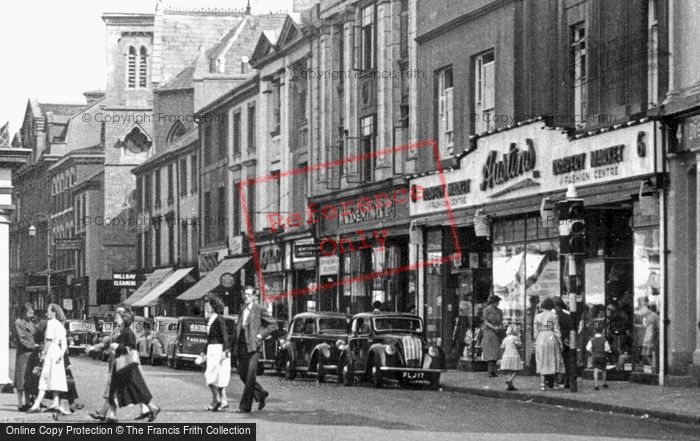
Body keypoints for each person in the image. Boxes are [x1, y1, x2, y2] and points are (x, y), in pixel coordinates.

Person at [106, 306, 160, 423]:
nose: (116, 319)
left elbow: (131, 348)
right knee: (120, 390)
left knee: (129, 389)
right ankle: (112, 414)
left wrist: (117, 346)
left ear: (123, 318)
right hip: (121, 365)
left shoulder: (128, 332)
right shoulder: (123, 330)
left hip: (125, 366)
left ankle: (113, 414)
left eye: (118, 317)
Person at [235, 286, 276, 413]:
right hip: (242, 347)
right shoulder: (242, 310)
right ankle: (261, 393)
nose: (246, 296)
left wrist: (260, 335)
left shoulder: (259, 309)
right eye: (244, 294)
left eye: (249, 294)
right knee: (242, 374)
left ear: (253, 296)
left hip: (254, 347)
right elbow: (238, 329)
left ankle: (245, 406)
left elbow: (273, 324)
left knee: (250, 377)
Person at [27, 304, 70, 418]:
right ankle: (55, 401)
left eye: (48, 311)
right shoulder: (60, 324)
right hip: (58, 352)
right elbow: (64, 343)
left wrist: (43, 354)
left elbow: (49, 340)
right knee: (54, 377)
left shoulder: (51, 323)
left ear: (54, 313)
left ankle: (36, 404)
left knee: (45, 376)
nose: (46, 314)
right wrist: (61, 354)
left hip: (51, 351)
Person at [201, 294, 230, 411]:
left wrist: (226, 350)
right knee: (216, 376)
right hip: (211, 349)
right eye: (205, 305)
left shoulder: (219, 318)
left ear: (214, 306)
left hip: (218, 349)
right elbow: (208, 338)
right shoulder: (211, 319)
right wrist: (203, 352)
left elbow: (224, 335)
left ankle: (216, 400)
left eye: (208, 305)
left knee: (212, 376)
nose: (206, 307)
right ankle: (224, 401)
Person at [13, 303, 38, 411]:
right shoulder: (18, 322)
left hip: (31, 354)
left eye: (32, 313)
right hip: (23, 354)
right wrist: (32, 346)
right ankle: (20, 403)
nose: (32, 315)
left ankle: (27, 402)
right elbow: (21, 339)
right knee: (21, 378)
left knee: (29, 378)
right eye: (29, 313)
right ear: (23, 313)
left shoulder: (31, 322)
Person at [534, 297, 562, 391]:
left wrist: (536, 340)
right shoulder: (553, 316)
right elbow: (557, 330)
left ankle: (542, 384)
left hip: (541, 337)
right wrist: (560, 342)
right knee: (554, 358)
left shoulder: (537, 316)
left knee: (541, 359)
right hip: (551, 336)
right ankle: (555, 383)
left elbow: (536, 330)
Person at [481, 295, 504, 377]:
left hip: (496, 332)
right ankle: (490, 371)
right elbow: (485, 321)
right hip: (489, 332)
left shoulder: (499, 311)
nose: (498, 303)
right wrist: (494, 328)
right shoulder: (487, 310)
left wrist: (499, 328)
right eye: (497, 302)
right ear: (493, 302)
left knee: (495, 351)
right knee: (490, 351)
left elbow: (501, 321)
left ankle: (493, 370)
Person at [554, 297, 572, 388]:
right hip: (566, 342)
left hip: (557, 341)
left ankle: (557, 380)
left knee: (557, 361)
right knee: (566, 362)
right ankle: (567, 380)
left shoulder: (555, 317)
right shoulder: (567, 316)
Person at [586, 322, 611, 390]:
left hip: (595, 356)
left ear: (595, 332)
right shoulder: (604, 340)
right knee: (604, 370)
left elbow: (588, 348)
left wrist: (592, 351)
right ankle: (604, 383)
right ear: (602, 331)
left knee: (595, 370)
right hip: (602, 356)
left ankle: (596, 385)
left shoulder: (592, 340)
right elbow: (607, 349)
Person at [499, 325, 523, 391]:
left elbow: (502, 347)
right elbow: (519, 345)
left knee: (509, 370)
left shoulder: (506, 338)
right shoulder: (515, 338)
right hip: (513, 353)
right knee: (517, 369)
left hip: (506, 354)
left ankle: (510, 386)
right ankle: (510, 380)